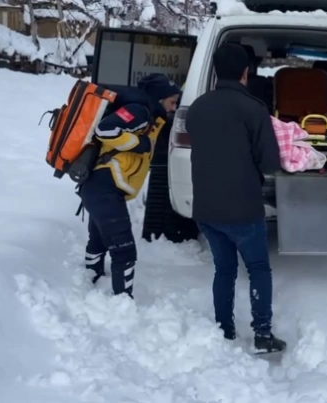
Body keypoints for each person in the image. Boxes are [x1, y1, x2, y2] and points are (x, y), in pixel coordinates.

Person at [185, 43, 286, 353]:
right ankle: (262, 334)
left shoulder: (197, 108)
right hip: (243, 208)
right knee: (258, 268)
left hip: (206, 208)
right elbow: (269, 163)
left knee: (224, 269)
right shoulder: (254, 109)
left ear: (215, 72)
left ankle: (224, 329)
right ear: (245, 73)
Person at [81, 73, 182, 298]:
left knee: (98, 242)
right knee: (124, 250)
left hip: (102, 187)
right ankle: (122, 301)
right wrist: (140, 143)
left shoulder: (151, 117)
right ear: (160, 97)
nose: (174, 107)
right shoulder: (139, 111)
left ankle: (88, 284)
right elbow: (105, 129)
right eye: (172, 101)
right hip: (104, 186)